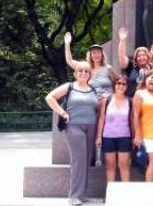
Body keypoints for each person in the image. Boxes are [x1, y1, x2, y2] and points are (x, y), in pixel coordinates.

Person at [45, 61, 99, 206]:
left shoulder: (93, 90)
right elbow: (49, 97)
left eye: (86, 71)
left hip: (91, 127)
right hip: (74, 127)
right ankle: (74, 196)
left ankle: (82, 194)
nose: (83, 73)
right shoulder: (69, 87)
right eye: (80, 71)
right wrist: (62, 112)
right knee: (78, 161)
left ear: (89, 74)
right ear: (76, 73)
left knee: (86, 160)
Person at [95, 75, 133, 184]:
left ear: (127, 86)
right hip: (108, 137)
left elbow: (132, 120)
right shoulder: (106, 100)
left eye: (123, 84)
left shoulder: (129, 101)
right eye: (118, 83)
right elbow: (102, 119)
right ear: (114, 85)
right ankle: (110, 193)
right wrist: (99, 137)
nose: (121, 86)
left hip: (124, 137)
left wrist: (135, 136)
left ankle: (125, 194)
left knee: (124, 166)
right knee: (110, 166)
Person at [117, 27, 153, 97]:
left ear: (147, 57)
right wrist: (122, 40)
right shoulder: (131, 66)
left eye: (144, 55)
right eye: (139, 56)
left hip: (148, 101)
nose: (141, 57)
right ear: (136, 58)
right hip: (132, 99)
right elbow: (122, 57)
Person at [64, 32, 118, 98]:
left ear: (102, 54)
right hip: (91, 101)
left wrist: (116, 96)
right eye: (94, 53)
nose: (96, 55)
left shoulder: (108, 68)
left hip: (107, 101)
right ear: (90, 55)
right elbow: (70, 61)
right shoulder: (86, 67)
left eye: (98, 52)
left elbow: (118, 82)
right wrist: (67, 44)